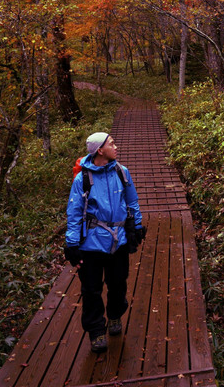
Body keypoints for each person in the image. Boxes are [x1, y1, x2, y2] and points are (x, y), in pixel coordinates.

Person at [64, 131, 145, 353]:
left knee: (118, 283)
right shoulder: (83, 179)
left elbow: (132, 202)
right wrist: (72, 245)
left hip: (118, 241)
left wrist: (136, 227)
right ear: (100, 150)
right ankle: (96, 331)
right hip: (91, 244)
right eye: (111, 143)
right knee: (91, 290)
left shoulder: (121, 171)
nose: (116, 146)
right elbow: (74, 213)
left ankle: (115, 315)